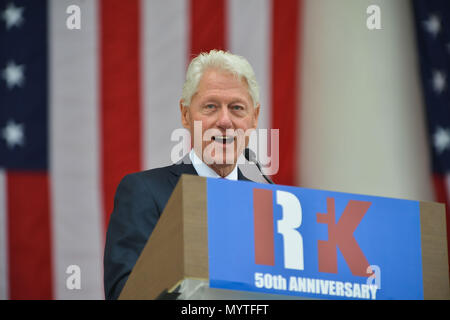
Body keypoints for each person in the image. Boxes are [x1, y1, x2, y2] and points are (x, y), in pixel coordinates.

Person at [103, 50, 264, 300]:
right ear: (186, 114)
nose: (224, 121)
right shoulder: (144, 193)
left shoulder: (270, 206)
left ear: (253, 118)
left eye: (237, 108)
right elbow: (124, 293)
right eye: (210, 106)